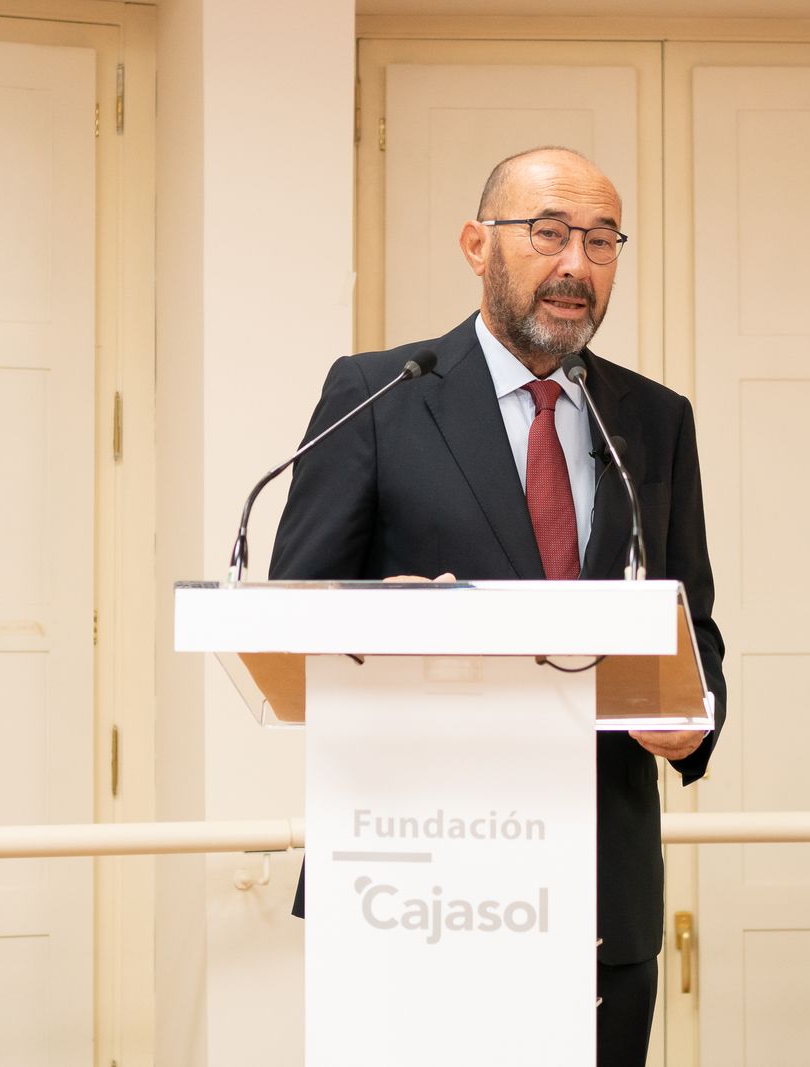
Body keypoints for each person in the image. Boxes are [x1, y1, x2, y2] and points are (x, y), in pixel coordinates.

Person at [270, 146, 727, 1067]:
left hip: (602, 887)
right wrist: (370, 612)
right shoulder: (378, 395)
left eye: (601, 241)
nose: (576, 264)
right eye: (549, 233)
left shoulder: (653, 418)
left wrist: (695, 713)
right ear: (479, 245)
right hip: (417, 882)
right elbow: (292, 610)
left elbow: (695, 626)